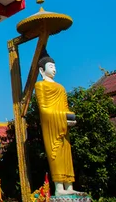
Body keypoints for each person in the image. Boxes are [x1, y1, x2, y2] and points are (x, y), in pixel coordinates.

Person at [35, 47, 82, 196]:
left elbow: (66, 107)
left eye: (55, 67)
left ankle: (69, 186)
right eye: (51, 67)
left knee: (66, 155)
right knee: (55, 155)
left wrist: (69, 117)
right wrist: (62, 116)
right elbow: (43, 110)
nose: (54, 69)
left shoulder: (61, 88)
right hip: (52, 126)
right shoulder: (40, 85)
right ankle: (59, 187)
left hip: (63, 126)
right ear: (42, 71)